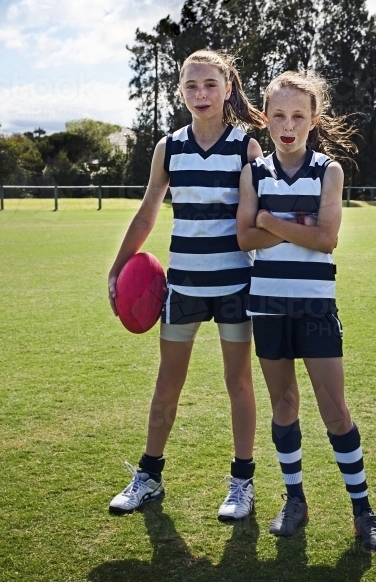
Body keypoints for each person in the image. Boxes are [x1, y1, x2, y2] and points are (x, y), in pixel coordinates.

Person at [236, 71, 376, 553]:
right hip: (266, 306)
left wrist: (267, 219)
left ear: (313, 120)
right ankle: (295, 499)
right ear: (265, 118)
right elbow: (245, 238)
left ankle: (363, 510)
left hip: (315, 305)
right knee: (284, 407)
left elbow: (326, 238)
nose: (288, 125)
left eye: (298, 116)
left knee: (335, 409)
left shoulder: (329, 171)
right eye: (279, 115)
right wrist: (291, 224)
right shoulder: (253, 173)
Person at [107, 50, 265, 520]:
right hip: (184, 286)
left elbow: (258, 220)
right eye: (191, 85)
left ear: (228, 89)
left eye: (210, 85)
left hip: (236, 285)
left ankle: (242, 483)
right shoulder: (168, 148)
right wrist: (117, 268)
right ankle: (149, 476)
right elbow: (148, 212)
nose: (200, 94)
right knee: (167, 384)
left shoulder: (246, 148)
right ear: (180, 91)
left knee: (238, 382)